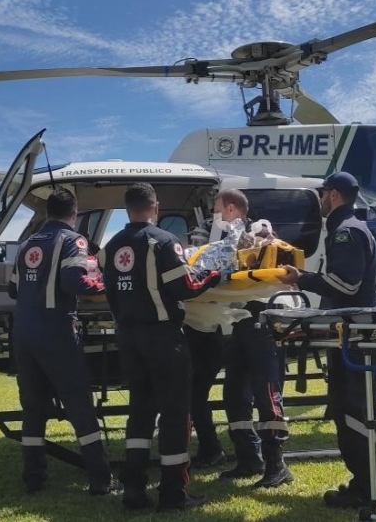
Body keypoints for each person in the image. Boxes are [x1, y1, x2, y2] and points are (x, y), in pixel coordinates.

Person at [97, 182, 221, 511]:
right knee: (175, 415)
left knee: (139, 413)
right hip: (163, 338)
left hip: (128, 338)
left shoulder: (110, 247)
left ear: (127, 209)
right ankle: (173, 493)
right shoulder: (163, 241)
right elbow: (185, 286)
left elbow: (107, 291)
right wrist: (213, 274)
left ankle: (134, 491)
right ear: (155, 207)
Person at [277, 171, 376, 508]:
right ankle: (364, 485)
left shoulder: (346, 232)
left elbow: (345, 285)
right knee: (348, 411)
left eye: (322, 193)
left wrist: (303, 278)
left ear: (334, 195)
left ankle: (368, 490)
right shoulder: (349, 228)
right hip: (354, 335)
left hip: (360, 338)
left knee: (357, 412)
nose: (320, 199)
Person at [8, 186, 113, 495]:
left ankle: (34, 479)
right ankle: (100, 479)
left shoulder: (27, 243)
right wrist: (105, 283)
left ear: (47, 212)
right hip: (56, 333)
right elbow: (74, 281)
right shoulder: (73, 240)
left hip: (24, 334)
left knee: (32, 408)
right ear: (74, 214)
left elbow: (14, 289)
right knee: (80, 404)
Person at [214, 189, 293, 489]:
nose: (216, 215)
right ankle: (248, 458)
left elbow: (266, 243)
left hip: (263, 325)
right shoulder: (225, 242)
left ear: (232, 208)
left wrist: (246, 242)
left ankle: (277, 464)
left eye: (217, 209)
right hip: (240, 326)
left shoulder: (258, 229)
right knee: (233, 393)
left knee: (266, 394)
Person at [183, 216, 227, 470]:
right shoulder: (200, 269)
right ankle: (209, 447)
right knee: (195, 398)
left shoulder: (205, 272)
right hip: (202, 337)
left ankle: (211, 449)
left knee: (195, 398)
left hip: (205, 339)